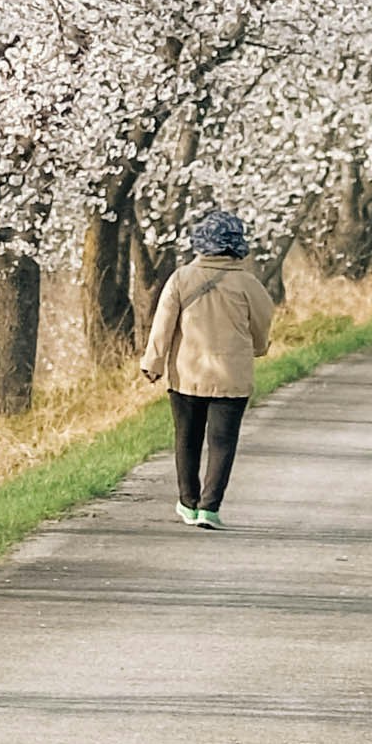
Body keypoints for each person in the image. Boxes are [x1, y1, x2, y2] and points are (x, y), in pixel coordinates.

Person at [144, 206, 279, 525]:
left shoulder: (181, 278)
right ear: (236, 246)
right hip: (232, 378)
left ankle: (187, 503)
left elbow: (162, 324)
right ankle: (209, 507)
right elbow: (262, 323)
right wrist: (258, 349)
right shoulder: (249, 284)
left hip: (186, 375)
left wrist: (153, 362)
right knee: (222, 442)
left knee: (186, 438)